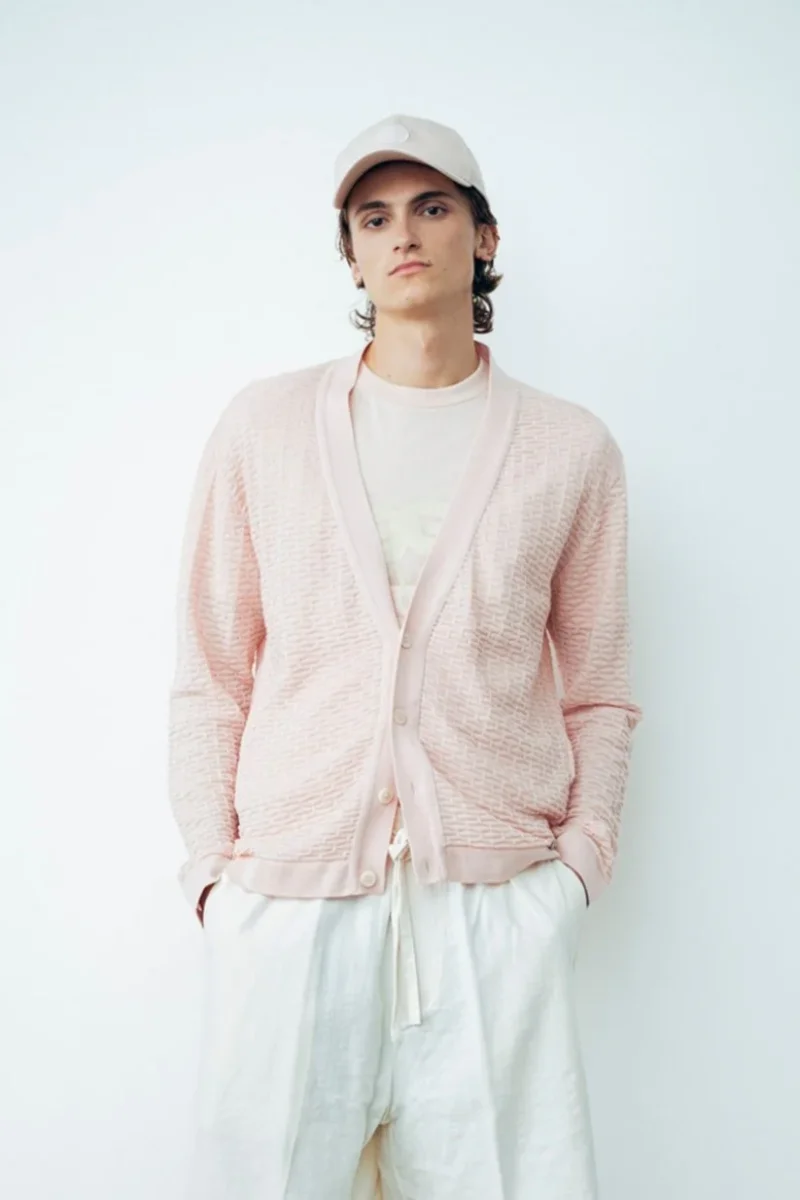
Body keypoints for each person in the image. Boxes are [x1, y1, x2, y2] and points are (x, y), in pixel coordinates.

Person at [168, 112, 644, 1200]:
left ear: (484, 237)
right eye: (373, 218)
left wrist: (574, 872)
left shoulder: (570, 449)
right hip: (288, 903)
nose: (403, 234)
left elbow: (602, 692)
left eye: (432, 207)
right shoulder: (263, 429)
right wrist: (215, 879)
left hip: (493, 909)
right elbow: (210, 671)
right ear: (350, 254)